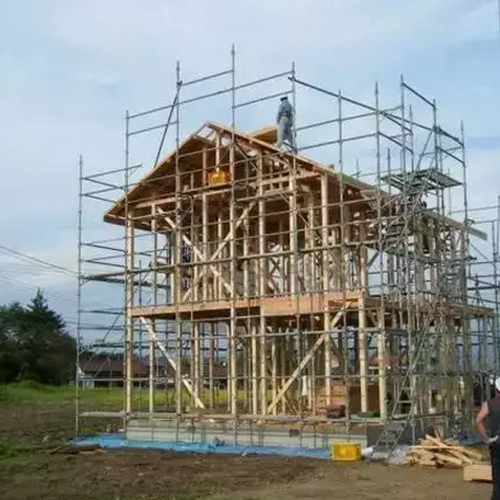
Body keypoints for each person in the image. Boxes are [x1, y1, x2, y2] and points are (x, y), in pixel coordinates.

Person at [476, 376, 500, 499]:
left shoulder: (491, 404)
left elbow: (478, 420)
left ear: (496, 389)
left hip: (497, 444)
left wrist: (486, 439)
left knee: (497, 480)